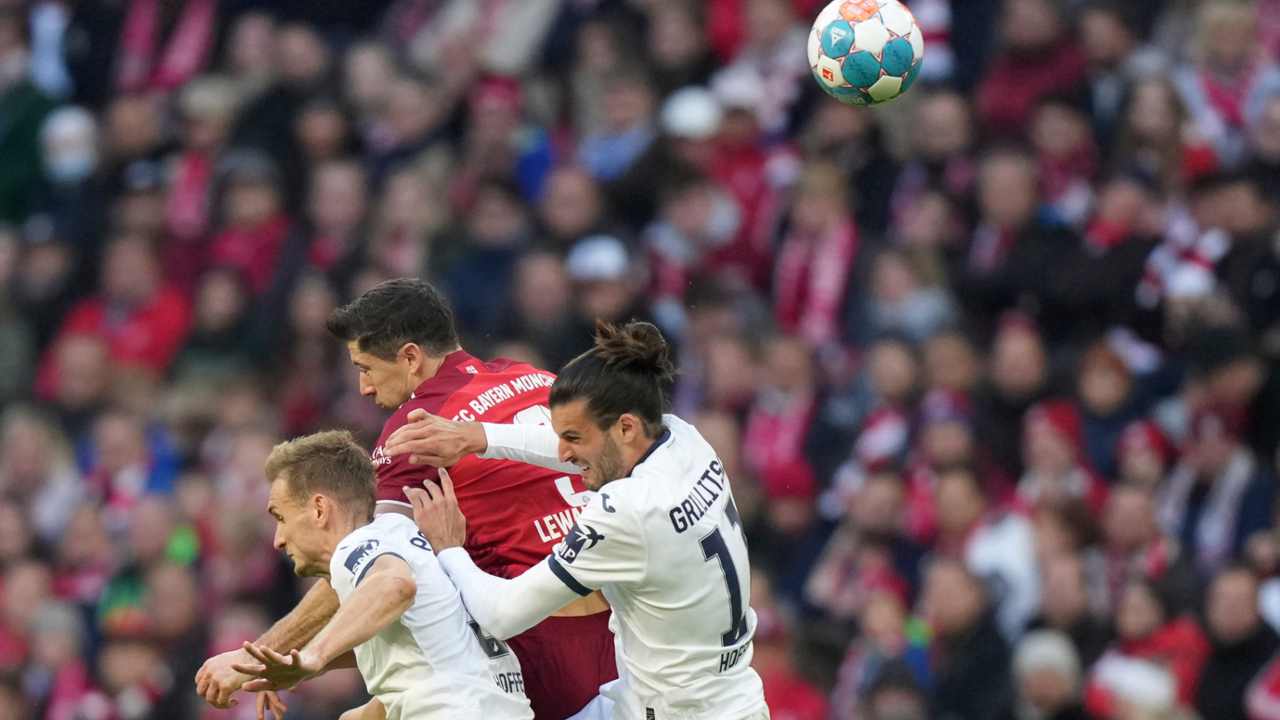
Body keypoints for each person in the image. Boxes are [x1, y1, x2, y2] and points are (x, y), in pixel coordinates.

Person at [196, 278, 616, 720]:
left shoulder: (417, 429)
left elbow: (375, 563)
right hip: (620, 623)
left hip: (542, 648)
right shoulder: (531, 376)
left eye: (366, 368)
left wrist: (260, 655)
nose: (364, 388)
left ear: (411, 357)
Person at [389, 320, 769, 720]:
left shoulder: (628, 511)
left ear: (625, 426)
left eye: (573, 437)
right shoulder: (684, 439)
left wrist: (449, 547)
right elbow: (597, 451)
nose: (564, 454)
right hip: (722, 697)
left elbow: (501, 615)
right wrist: (478, 436)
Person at [231, 429, 533, 720]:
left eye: (281, 517)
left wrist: (313, 658)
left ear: (320, 509)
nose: (278, 539)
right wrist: (291, 666)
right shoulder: (406, 537)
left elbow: (395, 586)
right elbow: (405, 641)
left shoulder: (354, 546)